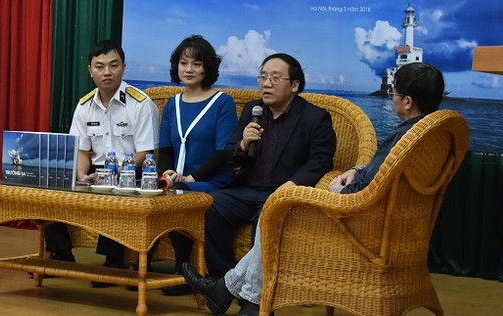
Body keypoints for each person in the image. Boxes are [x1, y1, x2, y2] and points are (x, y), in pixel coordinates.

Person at [182, 62, 446, 316]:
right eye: (263, 77)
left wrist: (338, 186)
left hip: (356, 219)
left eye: (394, 93)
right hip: (391, 223)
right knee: (220, 205)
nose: (267, 83)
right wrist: (354, 170)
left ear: (407, 102)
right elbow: (379, 173)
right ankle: (229, 287)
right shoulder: (429, 135)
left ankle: (238, 296)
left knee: (273, 212)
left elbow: (363, 183)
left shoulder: (395, 135)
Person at [204, 53, 337, 280]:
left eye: (275, 78)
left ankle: (253, 297)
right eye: (263, 77)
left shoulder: (315, 118)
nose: (266, 84)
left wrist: (292, 185)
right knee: (212, 204)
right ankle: (224, 279)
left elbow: (321, 161)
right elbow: (230, 155)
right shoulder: (252, 111)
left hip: (283, 194)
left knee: (267, 214)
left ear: (294, 85)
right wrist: (243, 144)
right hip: (246, 191)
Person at [43, 40, 159, 287]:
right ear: (90, 71)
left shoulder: (140, 103)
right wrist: (82, 175)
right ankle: (61, 253)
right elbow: (81, 150)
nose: (107, 72)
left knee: (116, 195)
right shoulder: (84, 105)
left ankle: (114, 261)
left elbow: (146, 152)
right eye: (100, 66)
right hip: (95, 172)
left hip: (132, 172)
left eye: (113, 65)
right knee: (50, 190)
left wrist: (116, 173)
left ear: (123, 68)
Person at [156, 35, 238, 295]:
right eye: (183, 63)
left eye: (196, 64)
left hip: (212, 180)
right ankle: (176, 269)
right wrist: (167, 172)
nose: (189, 69)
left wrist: (191, 178)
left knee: (178, 193)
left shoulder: (222, 102)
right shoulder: (172, 104)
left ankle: (186, 273)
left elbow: (224, 152)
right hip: (178, 179)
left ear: (208, 68)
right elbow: (165, 148)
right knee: (162, 190)